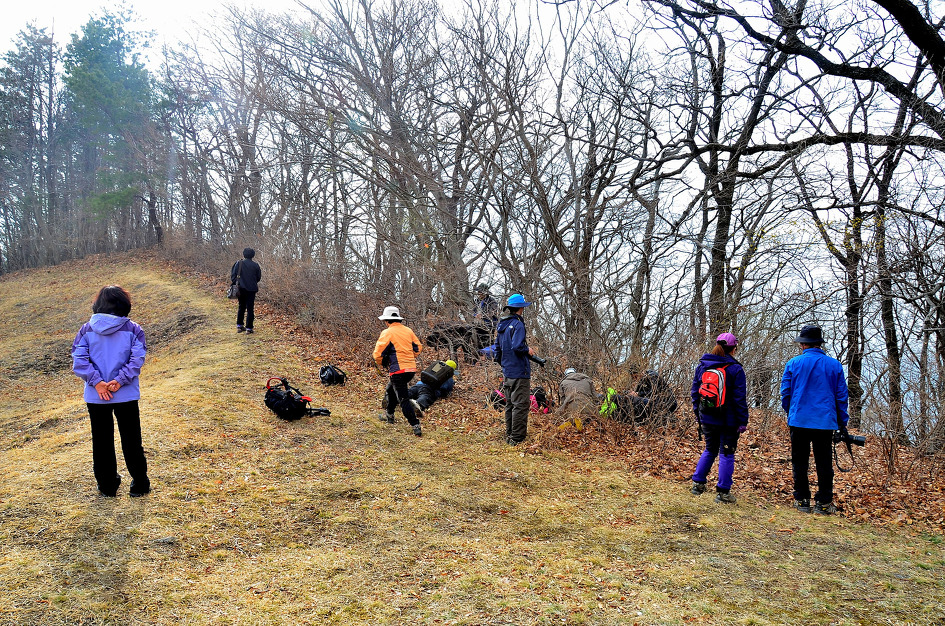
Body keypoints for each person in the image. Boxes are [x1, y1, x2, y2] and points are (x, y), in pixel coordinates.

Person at [71, 286, 151, 498]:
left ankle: (107, 486)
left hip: (97, 396)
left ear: (99, 304)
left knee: (101, 440)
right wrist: (120, 380)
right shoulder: (134, 329)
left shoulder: (86, 329)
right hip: (125, 394)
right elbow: (137, 359)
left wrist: (97, 383)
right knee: (132, 439)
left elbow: (79, 360)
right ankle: (140, 484)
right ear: (124, 304)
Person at [780, 325, 848, 515]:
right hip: (824, 422)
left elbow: (785, 393)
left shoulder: (793, 364)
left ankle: (802, 500)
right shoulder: (834, 365)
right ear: (819, 344)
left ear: (803, 344)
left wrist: (791, 412)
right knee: (824, 463)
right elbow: (841, 397)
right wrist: (842, 422)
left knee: (799, 461)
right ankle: (823, 503)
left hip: (799, 420)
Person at [689, 333, 749, 504]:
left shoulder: (702, 366)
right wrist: (742, 421)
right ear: (733, 348)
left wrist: (698, 414)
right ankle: (723, 493)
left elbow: (695, 393)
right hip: (728, 420)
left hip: (707, 417)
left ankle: (697, 485)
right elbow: (739, 399)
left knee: (710, 449)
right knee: (727, 453)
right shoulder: (736, 369)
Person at [373, 306, 425, 437]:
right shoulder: (408, 330)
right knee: (391, 390)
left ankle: (415, 425)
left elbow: (378, 354)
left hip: (398, 371)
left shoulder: (387, 333)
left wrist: (382, 362)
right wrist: (409, 356)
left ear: (387, 320)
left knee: (403, 399)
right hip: (411, 369)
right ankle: (389, 415)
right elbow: (418, 347)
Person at [494, 293, 535, 445]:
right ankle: (517, 439)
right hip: (519, 372)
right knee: (521, 405)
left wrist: (504, 365)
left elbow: (497, 351)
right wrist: (528, 350)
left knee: (510, 404)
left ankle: (510, 435)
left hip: (508, 372)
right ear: (521, 308)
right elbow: (518, 346)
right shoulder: (518, 324)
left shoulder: (502, 325)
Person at [231, 247, 262, 334]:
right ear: (253, 255)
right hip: (252, 289)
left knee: (241, 306)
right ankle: (249, 328)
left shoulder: (239, 263)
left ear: (244, 254)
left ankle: (239, 326)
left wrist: (237, 283)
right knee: (250, 308)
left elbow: (233, 276)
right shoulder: (256, 265)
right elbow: (258, 277)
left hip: (240, 288)